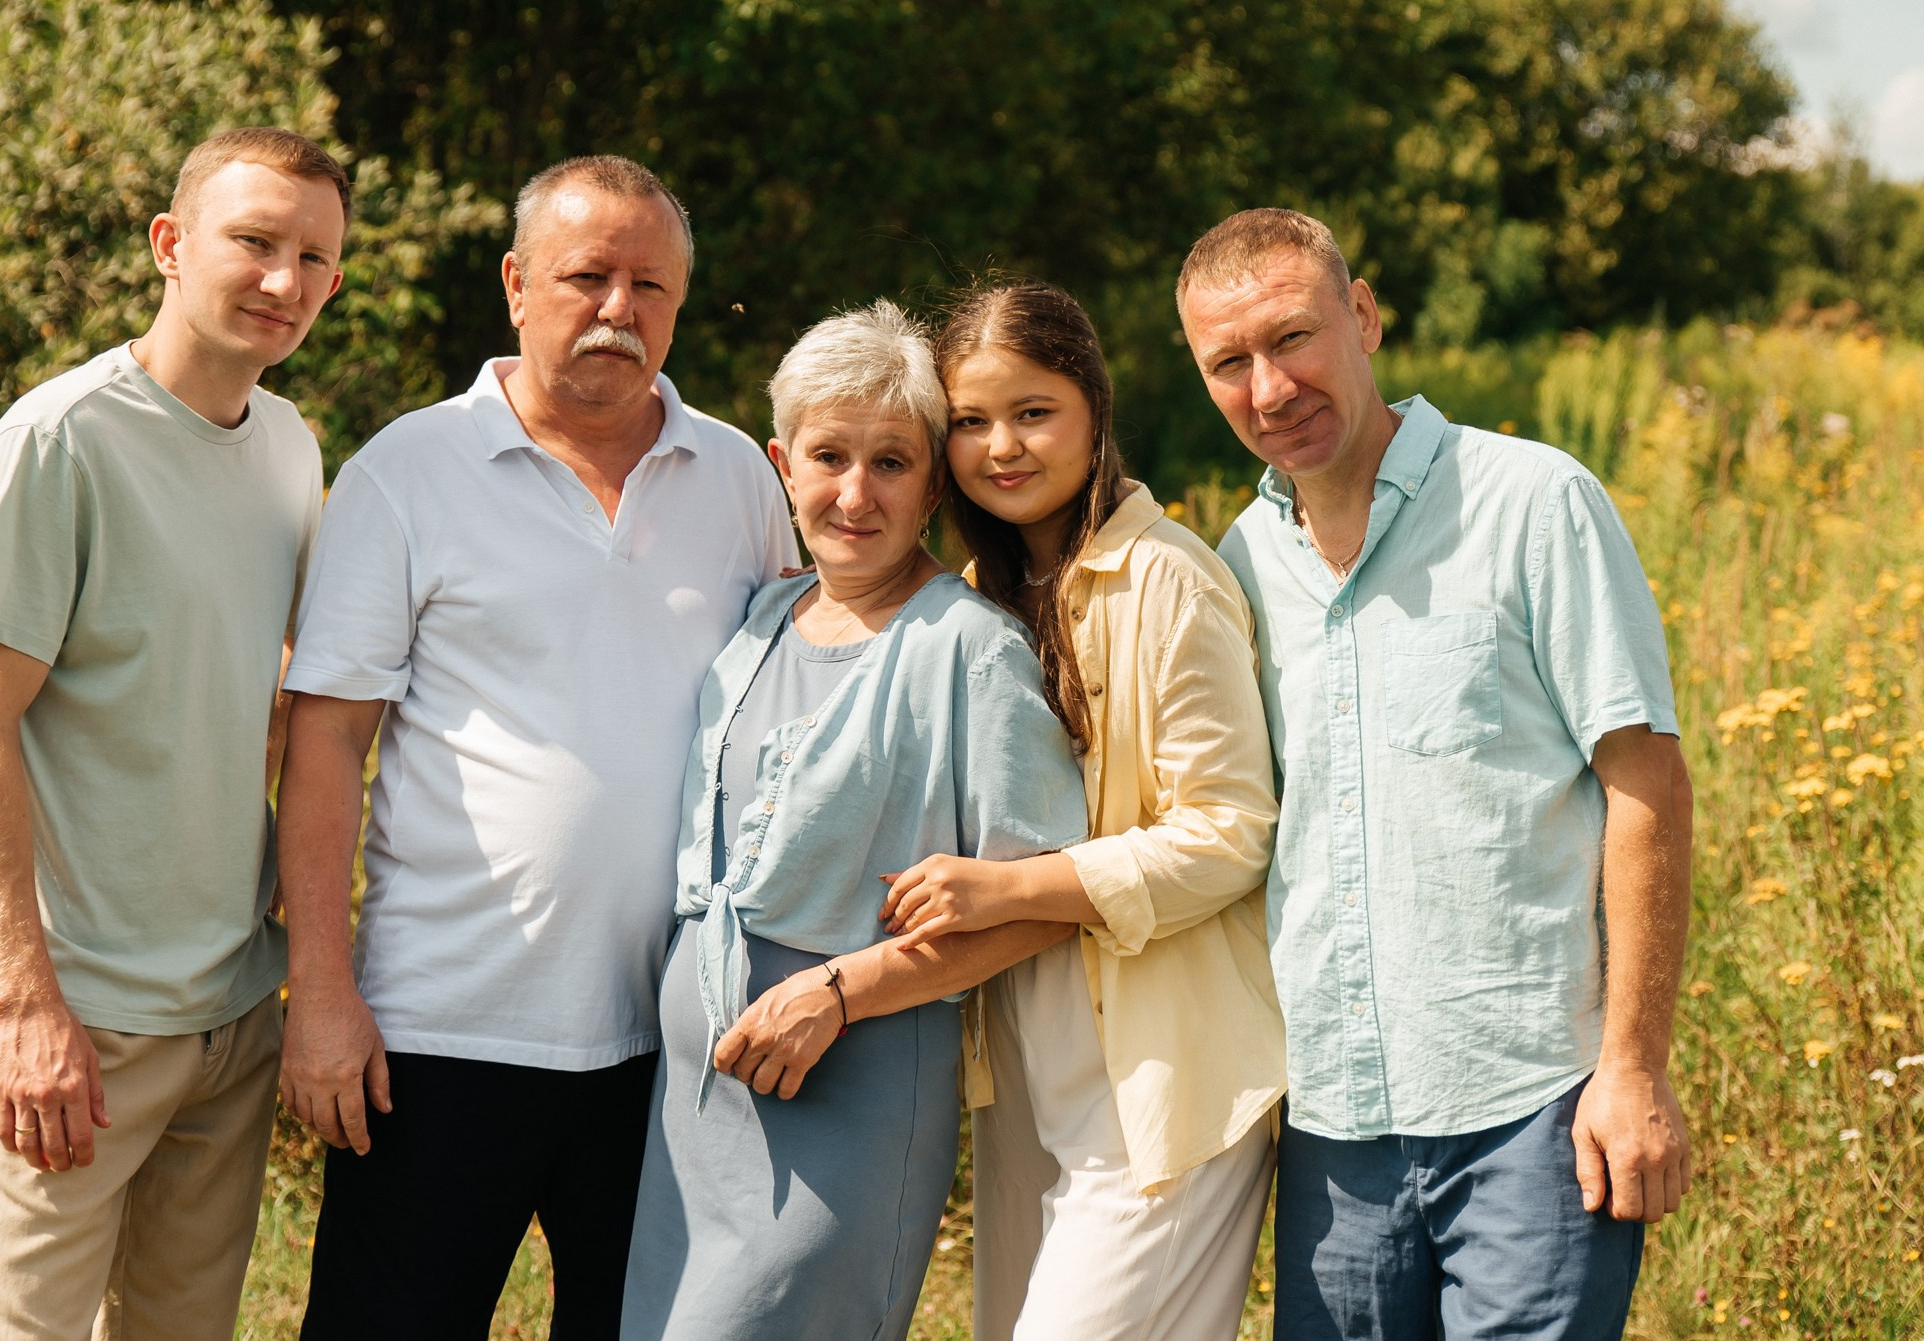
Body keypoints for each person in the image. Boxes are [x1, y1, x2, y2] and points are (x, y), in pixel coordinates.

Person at [276, 156, 795, 1340]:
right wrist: (321, 994)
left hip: (667, 1039)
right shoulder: (405, 474)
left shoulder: (737, 476)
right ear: (516, 285)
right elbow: (324, 748)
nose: (619, 309)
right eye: (587, 276)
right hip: (440, 1031)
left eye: (650, 285)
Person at [1176, 209, 1696, 1341]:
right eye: (1229, 363)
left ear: (1361, 317)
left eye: (1293, 338)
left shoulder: (1533, 501)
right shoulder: (1235, 565)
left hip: (1533, 1110)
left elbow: (1646, 783)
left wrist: (1633, 1069)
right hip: (1330, 1135)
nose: (1269, 389)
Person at [0, 127, 350, 1339]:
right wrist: (27, 1007)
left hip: (226, 1008)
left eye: (313, 258)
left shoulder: (288, 445)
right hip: (77, 1012)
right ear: (171, 246)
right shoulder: (60, 440)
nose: (283, 280)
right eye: (254, 242)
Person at [619, 301, 1089, 1341]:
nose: (855, 492)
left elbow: (1049, 900)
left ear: (932, 477)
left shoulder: (970, 649)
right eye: (829, 455)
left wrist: (839, 992)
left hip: (850, 1095)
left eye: (890, 461)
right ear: (784, 463)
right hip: (697, 1111)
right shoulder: (757, 622)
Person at [876, 282, 1284, 1341]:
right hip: (1020, 1076)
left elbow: (1229, 830)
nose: (1001, 446)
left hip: (1163, 1087)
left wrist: (1008, 886)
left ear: (1093, 410)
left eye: (1032, 411)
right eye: (969, 421)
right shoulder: (977, 593)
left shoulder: (1169, 579)